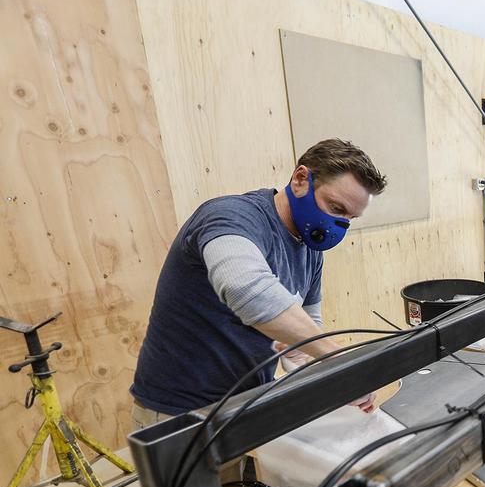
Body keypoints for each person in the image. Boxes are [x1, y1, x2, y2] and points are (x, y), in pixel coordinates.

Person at [130, 138, 387, 429]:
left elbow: (301, 339)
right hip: (178, 413)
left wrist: (331, 384)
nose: (338, 225)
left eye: (350, 218)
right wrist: (340, 362)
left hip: (244, 406)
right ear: (301, 179)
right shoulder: (229, 217)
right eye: (336, 208)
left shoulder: (310, 249)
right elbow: (248, 291)